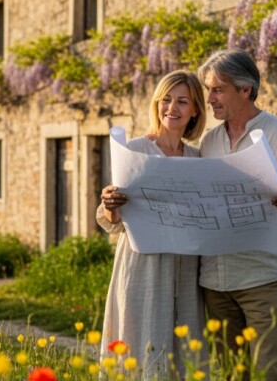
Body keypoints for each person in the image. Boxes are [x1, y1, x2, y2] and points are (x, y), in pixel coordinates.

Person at [196, 49, 277, 381]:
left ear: (245, 90)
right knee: (231, 374)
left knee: (268, 373)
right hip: (214, 280)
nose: (209, 99)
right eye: (208, 90)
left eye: (217, 89)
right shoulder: (209, 142)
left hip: (262, 277)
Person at [97, 69, 207, 379]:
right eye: (166, 100)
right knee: (141, 343)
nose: (172, 108)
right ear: (156, 104)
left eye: (182, 101)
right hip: (142, 264)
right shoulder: (133, 151)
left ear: (195, 109)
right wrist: (111, 205)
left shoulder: (199, 159)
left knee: (185, 352)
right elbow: (113, 221)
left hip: (186, 267)